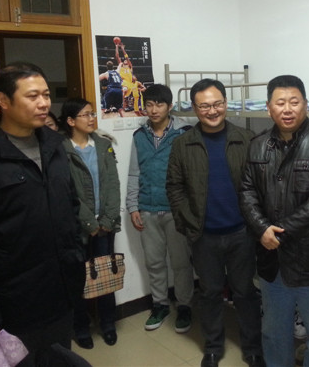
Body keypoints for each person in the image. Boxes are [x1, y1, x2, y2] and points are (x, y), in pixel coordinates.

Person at [0, 62, 85, 366]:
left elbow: (70, 207)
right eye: (32, 96)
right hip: (12, 302)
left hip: (59, 292)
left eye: (46, 95)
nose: (44, 103)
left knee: (58, 358)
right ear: (4, 100)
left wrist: (76, 260)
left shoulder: (56, 146)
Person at [239, 75, 309, 367]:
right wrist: (261, 228)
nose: (287, 109)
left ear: (306, 105)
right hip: (272, 263)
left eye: (294, 102)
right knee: (274, 335)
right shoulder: (257, 145)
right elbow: (246, 192)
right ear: (268, 108)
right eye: (280, 103)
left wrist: (278, 233)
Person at [166, 79, 264, 367]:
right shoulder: (183, 144)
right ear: (195, 108)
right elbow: (174, 187)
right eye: (205, 106)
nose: (212, 111)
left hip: (241, 233)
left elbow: (259, 184)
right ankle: (212, 347)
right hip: (203, 235)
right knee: (209, 293)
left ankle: (253, 348)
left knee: (245, 292)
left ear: (226, 103)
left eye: (217, 104)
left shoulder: (246, 139)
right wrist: (186, 222)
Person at [126, 84, 194, 334]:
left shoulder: (184, 133)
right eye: (149, 105)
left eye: (159, 104)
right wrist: (133, 205)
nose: (153, 110)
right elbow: (134, 173)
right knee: (154, 263)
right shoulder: (139, 136)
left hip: (176, 210)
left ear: (170, 106)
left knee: (181, 263)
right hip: (148, 207)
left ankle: (185, 306)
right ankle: (160, 305)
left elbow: (193, 173)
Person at [59, 98, 122, 349]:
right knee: (78, 279)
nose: (91, 118)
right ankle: (81, 327)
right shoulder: (62, 150)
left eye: (92, 114)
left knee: (105, 275)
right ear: (70, 121)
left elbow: (113, 184)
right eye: (85, 115)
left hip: (105, 224)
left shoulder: (103, 145)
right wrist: (89, 223)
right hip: (78, 226)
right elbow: (67, 192)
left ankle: (108, 324)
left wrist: (107, 219)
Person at [115, 41, 141, 116]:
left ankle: (135, 107)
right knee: (124, 90)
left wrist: (123, 49)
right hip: (124, 83)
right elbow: (117, 56)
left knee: (134, 94)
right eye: (124, 60)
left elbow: (126, 57)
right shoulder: (121, 66)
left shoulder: (129, 66)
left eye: (126, 60)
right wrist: (116, 46)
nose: (125, 60)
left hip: (130, 85)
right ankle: (120, 106)